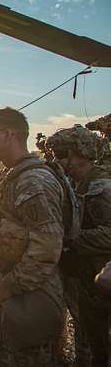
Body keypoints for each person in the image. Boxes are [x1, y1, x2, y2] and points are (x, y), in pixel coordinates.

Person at [0, 107, 64, 366]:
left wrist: (7, 287)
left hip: (29, 297)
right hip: (13, 293)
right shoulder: (12, 176)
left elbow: (46, 249)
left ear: (9, 134)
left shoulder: (33, 182)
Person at [47, 125, 111, 366]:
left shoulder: (101, 188)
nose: (58, 160)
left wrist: (70, 237)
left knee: (102, 349)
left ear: (80, 154)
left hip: (102, 283)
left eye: (63, 153)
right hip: (85, 278)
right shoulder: (76, 185)